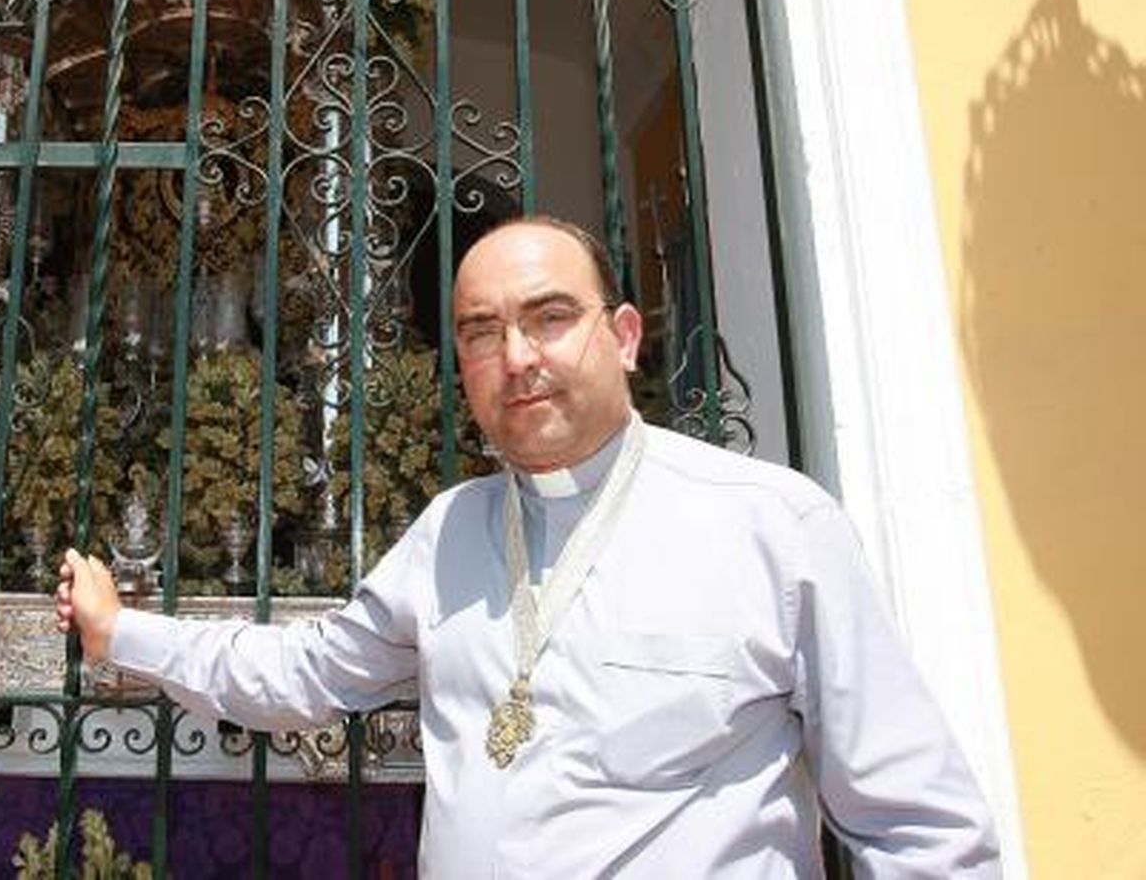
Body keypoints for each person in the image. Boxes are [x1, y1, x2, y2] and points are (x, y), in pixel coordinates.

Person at [55, 216, 1001, 877]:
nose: (517, 356)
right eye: (481, 332)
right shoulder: (448, 533)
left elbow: (916, 822)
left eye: (550, 316)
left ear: (623, 335)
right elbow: (303, 672)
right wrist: (120, 633)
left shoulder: (772, 527)